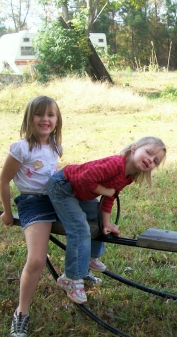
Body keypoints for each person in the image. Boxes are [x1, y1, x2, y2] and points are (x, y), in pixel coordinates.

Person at [46, 136, 166, 305]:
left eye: (155, 161)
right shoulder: (116, 164)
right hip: (63, 187)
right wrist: (106, 191)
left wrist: (107, 223)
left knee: (98, 220)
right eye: (148, 152)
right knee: (80, 228)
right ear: (134, 148)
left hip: (79, 193)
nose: (150, 160)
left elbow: (110, 197)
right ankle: (70, 278)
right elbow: (84, 179)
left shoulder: (129, 176)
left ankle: (89, 257)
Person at [0, 96, 62, 337]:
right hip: (32, 202)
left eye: (50, 115)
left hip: (56, 199)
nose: (45, 119)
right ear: (29, 118)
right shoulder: (21, 148)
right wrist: (6, 211)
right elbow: (4, 180)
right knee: (36, 260)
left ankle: (79, 272)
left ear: (57, 120)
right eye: (39, 114)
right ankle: (21, 313)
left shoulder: (56, 146)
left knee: (91, 220)